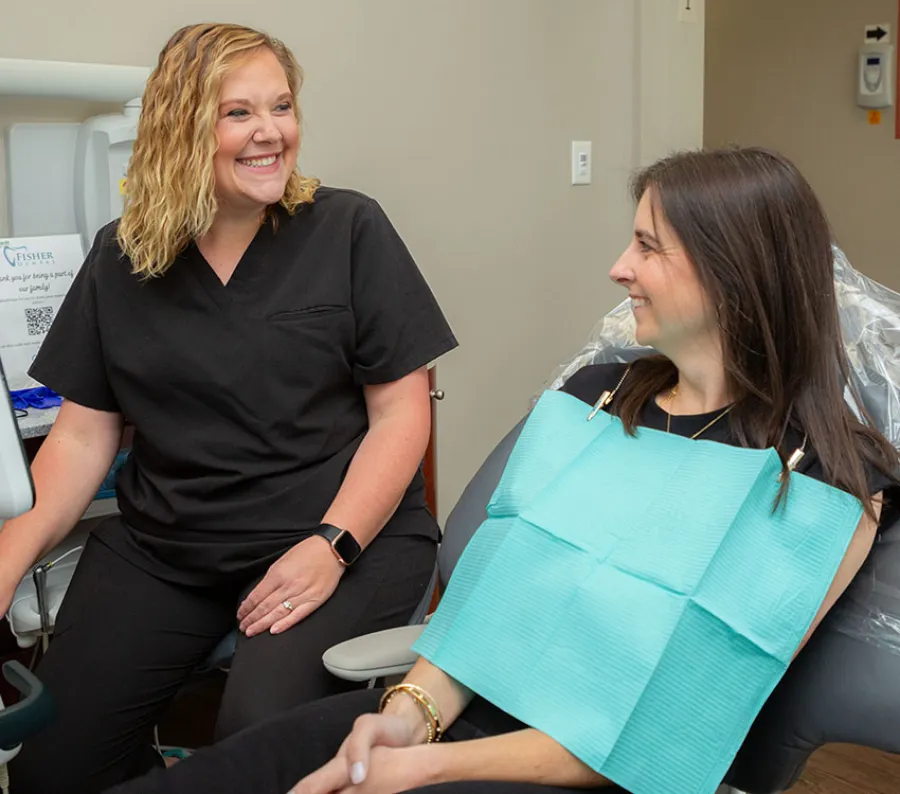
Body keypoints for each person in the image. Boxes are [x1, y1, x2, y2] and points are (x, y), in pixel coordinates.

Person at [105, 146, 899, 794]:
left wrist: (427, 764)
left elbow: (658, 731)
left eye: (649, 247)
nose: (619, 269)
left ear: (735, 273)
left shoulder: (820, 476)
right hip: (458, 727)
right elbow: (490, 609)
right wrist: (408, 714)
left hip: (603, 774)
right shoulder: (597, 400)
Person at [0, 22, 457, 793]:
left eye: (281, 107)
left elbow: (404, 415)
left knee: (254, 746)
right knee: (52, 760)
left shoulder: (347, 228)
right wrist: (9, 557)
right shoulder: (124, 257)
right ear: (181, 128)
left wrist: (331, 546)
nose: (271, 133)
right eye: (238, 113)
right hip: (170, 549)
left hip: (339, 539)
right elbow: (81, 440)